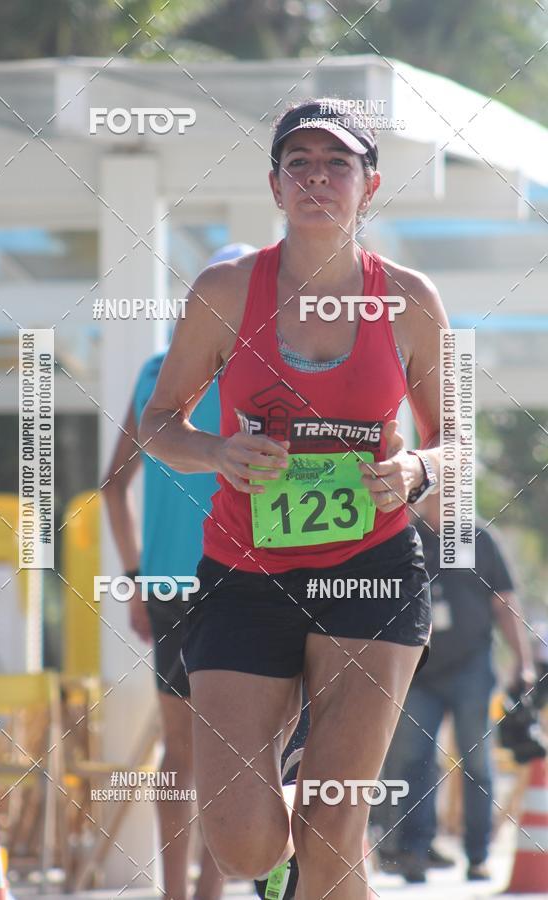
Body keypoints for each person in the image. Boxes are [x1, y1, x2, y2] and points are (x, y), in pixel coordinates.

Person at [139, 97, 448, 899]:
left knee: (332, 825)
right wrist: (216, 451)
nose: (317, 179)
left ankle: (318, 803)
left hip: (372, 571)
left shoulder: (409, 300)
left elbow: (462, 440)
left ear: (368, 186)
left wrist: (418, 470)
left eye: (336, 164)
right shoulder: (226, 290)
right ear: (274, 187)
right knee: (243, 848)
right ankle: (292, 807)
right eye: (299, 164)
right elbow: (157, 423)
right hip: (246, 576)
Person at [102, 243, 254, 900]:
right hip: (240, 582)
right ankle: (210, 895)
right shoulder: (257, 373)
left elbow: (112, 487)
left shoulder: (154, 374)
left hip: (166, 582)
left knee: (180, 754)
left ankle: (175, 897)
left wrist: (136, 578)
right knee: (236, 757)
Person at [378, 493, 536, 884]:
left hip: (471, 668)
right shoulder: (405, 537)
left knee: (477, 762)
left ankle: (478, 855)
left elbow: (505, 602)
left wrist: (523, 661)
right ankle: (416, 852)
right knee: (412, 760)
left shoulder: (479, 538)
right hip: (419, 671)